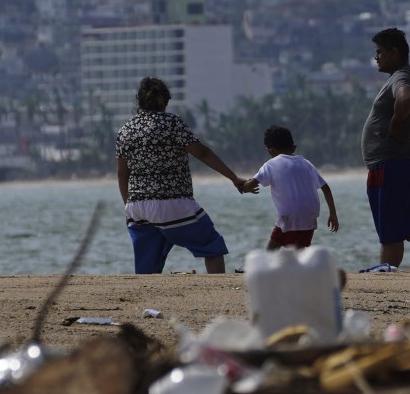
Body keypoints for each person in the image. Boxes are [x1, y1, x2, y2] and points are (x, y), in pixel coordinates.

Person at [114, 77, 257, 274]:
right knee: (212, 246)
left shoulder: (125, 130)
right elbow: (202, 153)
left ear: (139, 101)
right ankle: (217, 292)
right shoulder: (172, 122)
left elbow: (122, 174)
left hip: (137, 206)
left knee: (147, 267)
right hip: (172, 202)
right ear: (165, 101)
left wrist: (129, 207)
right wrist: (235, 178)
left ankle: (146, 302)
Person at [362, 27, 410, 271]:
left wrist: (396, 126)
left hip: (392, 162)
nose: (377, 57)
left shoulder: (401, 78)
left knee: (390, 226)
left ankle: (386, 272)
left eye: (380, 52)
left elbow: (405, 99)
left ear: (394, 53)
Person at [254, 125, 338, 250]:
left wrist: (242, 186)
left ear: (270, 151)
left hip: (289, 216)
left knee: (271, 251)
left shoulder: (270, 164)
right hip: (309, 215)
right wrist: (333, 214)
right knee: (299, 250)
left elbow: (252, 183)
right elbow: (325, 187)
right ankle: (303, 268)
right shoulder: (306, 163)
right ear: (294, 147)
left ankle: (266, 269)